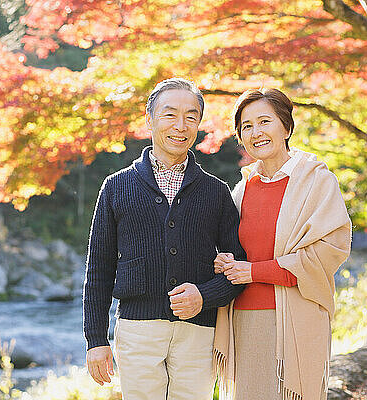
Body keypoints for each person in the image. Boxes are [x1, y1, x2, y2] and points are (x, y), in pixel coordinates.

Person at [83, 77, 246, 400]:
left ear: (199, 124)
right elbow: (99, 269)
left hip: (198, 331)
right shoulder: (117, 186)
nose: (180, 126)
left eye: (191, 116)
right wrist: (96, 340)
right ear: (150, 119)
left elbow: (239, 269)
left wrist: (204, 295)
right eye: (170, 114)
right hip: (136, 330)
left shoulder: (216, 192)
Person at [212, 88, 352, 400]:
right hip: (243, 319)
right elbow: (234, 253)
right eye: (246, 126)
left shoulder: (317, 181)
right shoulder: (241, 189)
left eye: (264, 121)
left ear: (286, 127)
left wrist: (254, 272)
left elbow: (327, 252)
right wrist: (224, 261)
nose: (256, 132)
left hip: (296, 317)